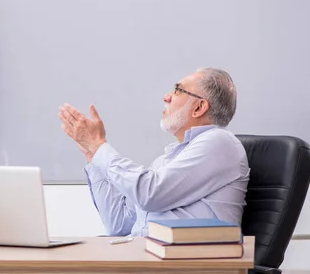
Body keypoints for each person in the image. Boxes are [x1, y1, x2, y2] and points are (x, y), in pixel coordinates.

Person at [58, 67, 250, 236]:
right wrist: (93, 156)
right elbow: (119, 225)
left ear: (199, 107)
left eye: (177, 90)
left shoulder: (219, 142)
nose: (166, 97)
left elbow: (150, 194)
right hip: (148, 258)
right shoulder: (165, 160)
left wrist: (100, 146)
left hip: (188, 265)